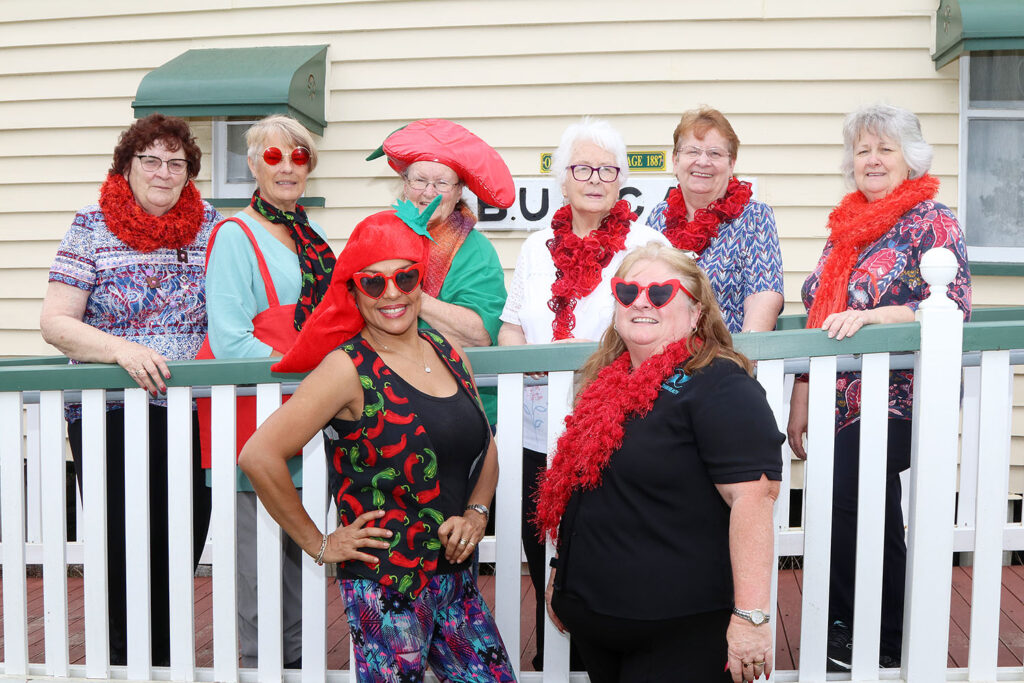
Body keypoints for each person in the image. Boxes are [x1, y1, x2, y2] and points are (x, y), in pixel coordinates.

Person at [240, 198, 515, 682]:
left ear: (419, 283)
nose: (392, 292)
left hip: (454, 579)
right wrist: (320, 544)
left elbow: (484, 444)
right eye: (374, 281)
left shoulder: (450, 353)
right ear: (355, 292)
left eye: (405, 277)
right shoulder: (346, 368)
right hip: (386, 586)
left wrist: (477, 511)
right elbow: (259, 455)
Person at [536, 243, 784, 683]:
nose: (641, 301)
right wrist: (563, 572)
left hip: (678, 631)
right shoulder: (606, 383)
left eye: (661, 292)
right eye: (628, 292)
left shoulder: (720, 385)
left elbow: (755, 499)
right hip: (599, 621)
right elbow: (588, 493)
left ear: (696, 314)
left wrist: (750, 619)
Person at [786, 103, 971, 672]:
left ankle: (872, 625)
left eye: (884, 149)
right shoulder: (844, 228)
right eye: (862, 149)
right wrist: (801, 399)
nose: (871, 159)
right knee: (859, 503)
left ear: (909, 159)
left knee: (857, 492)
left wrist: (876, 316)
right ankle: (865, 625)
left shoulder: (933, 221)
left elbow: (953, 305)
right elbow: (820, 314)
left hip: (901, 393)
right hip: (842, 395)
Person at [39, 113, 218, 666]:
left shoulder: (213, 226)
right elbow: (56, 322)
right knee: (122, 541)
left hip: (191, 408)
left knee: (182, 535)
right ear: (127, 165)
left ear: (189, 173)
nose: (163, 173)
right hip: (110, 410)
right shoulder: (91, 224)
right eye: (151, 160)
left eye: (176, 163)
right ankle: (123, 660)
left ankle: (162, 658)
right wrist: (123, 350)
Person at [497, 116, 668, 670]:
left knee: (599, 557)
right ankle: (553, 666)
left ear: (621, 179)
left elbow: (665, 326)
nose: (594, 178)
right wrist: (529, 361)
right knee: (539, 547)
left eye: (606, 169)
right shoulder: (536, 247)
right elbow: (511, 325)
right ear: (562, 179)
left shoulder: (644, 245)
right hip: (535, 427)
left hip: (611, 428)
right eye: (581, 168)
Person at [199, 114, 335, 668]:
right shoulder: (236, 233)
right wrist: (309, 368)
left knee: (299, 552)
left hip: (307, 414)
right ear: (253, 165)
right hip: (254, 413)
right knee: (257, 565)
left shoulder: (311, 238)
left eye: (298, 157)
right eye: (273, 156)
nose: (286, 166)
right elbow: (229, 341)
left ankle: (298, 666)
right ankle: (262, 668)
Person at [371, 117, 513, 423]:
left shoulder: (475, 250)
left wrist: (405, 294)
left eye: (442, 183)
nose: (429, 192)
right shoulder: (377, 236)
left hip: (458, 407)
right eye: (419, 180)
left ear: (459, 190)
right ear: (404, 184)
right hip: (384, 405)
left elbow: (480, 334)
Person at [646, 107, 783, 333]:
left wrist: (742, 359)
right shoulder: (658, 218)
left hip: (724, 356)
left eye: (715, 153)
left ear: (731, 165)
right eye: (692, 151)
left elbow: (764, 295)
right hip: (659, 356)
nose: (703, 161)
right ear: (675, 160)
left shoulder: (754, 217)